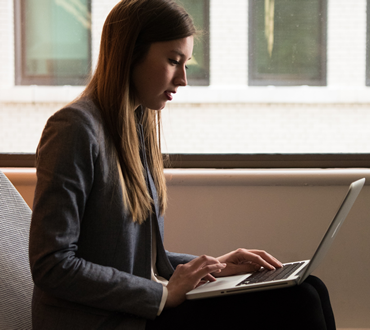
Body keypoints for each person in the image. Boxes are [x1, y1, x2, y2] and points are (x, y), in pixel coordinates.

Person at [29, 0, 336, 329]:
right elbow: (52, 264)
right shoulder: (74, 129)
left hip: (137, 309)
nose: (184, 79)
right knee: (298, 301)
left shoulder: (137, 126)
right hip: (103, 320)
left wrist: (214, 267)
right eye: (174, 61)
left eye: (186, 63)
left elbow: (142, 263)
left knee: (309, 287)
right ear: (130, 54)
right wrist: (162, 295)